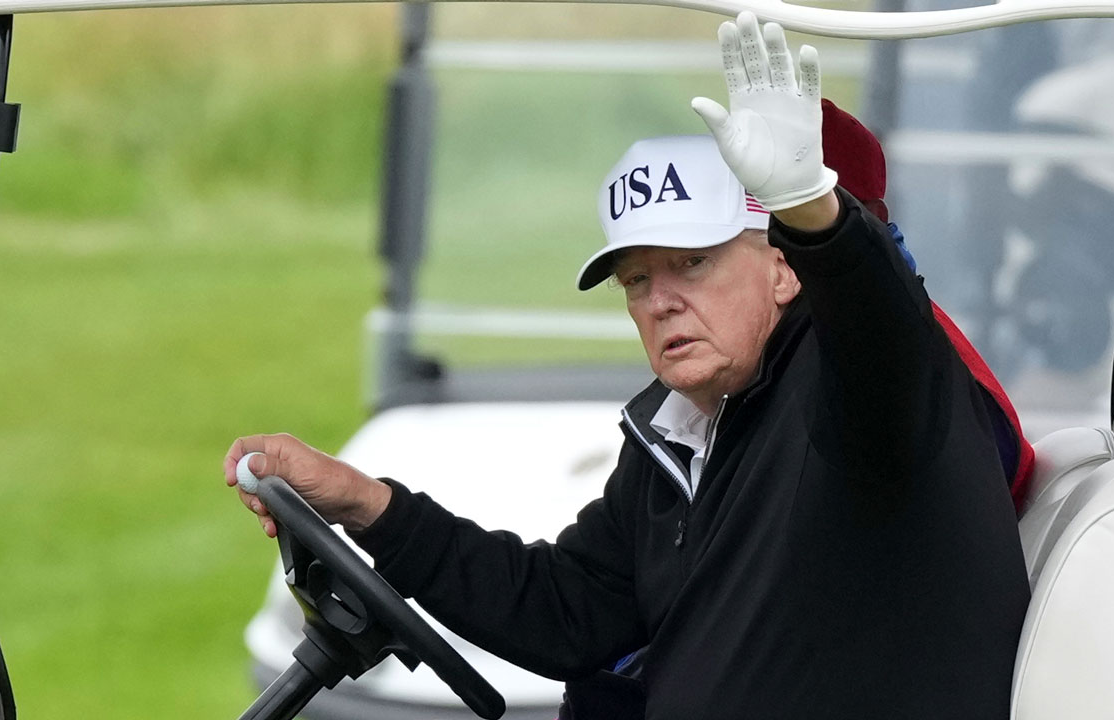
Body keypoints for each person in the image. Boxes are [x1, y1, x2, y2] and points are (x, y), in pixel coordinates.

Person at [224, 14, 1031, 719]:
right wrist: (367, 504)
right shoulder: (687, 432)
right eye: (637, 280)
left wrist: (817, 217)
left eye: (694, 263)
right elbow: (567, 609)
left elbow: (880, 334)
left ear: (785, 270)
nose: (660, 302)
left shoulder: (852, 392)